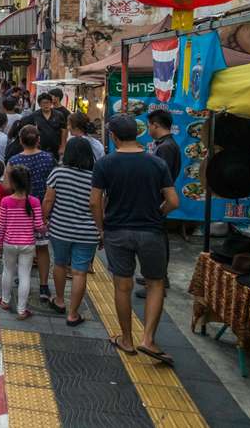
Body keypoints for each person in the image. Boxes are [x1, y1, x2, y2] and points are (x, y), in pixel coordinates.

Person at [91, 114, 179, 364]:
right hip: (151, 232)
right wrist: (156, 213)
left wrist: (101, 228)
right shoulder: (156, 163)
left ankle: (127, 340)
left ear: (114, 136)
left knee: (122, 285)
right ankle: (148, 339)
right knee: (155, 283)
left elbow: (94, 201)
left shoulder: (105, 164)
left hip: (117, 231)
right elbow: (173, 201)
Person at [43, 137, 99, 325]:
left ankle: (59, 301)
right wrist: (101, 229)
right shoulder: (95, 178)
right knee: (79, 272)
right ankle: (73, 314)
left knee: (59, 264)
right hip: (87, 232)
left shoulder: (58, 173)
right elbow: (99, 205)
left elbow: (49, 200)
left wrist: (44, 218)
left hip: (60, 228)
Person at [7, 124, 56, 304]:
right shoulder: (48, 159)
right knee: (42, 248)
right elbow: (53, 185)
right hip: (41, 210)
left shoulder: (13, 161)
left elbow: (7, 186)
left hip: (19, 210)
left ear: (20, 140)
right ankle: (43, 286)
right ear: (38, 140)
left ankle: (22, 279)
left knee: (22, 247)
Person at [138, 109, 182, 297]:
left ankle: (157, 281)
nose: (148, 128)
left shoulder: (165, 147)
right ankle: (156, 277)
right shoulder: (166, 144)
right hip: (158, 198)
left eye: (149, 125)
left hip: (158, 199)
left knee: (157, 240)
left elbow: (160, 177)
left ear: (156, 125)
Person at [0, 164, 44, 320]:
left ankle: (5, 301)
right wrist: (44, 227)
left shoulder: (6, 201)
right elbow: (38, 226)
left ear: (13, 183)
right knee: (25, 275)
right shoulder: (35, 201)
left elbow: (1, 225)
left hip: (9, 243)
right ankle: (22, 310)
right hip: (28, 245)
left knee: (8, 271)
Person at [24, 93, 67, 159]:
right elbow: (29, 130)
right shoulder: (34, 115)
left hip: (55, 147)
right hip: (40, 148)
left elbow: (64, 130)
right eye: (43, 103)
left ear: (51, 103)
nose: (46, 105)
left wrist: (63, 146)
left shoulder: (59, 115)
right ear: (39, 104)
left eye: (48, 102)